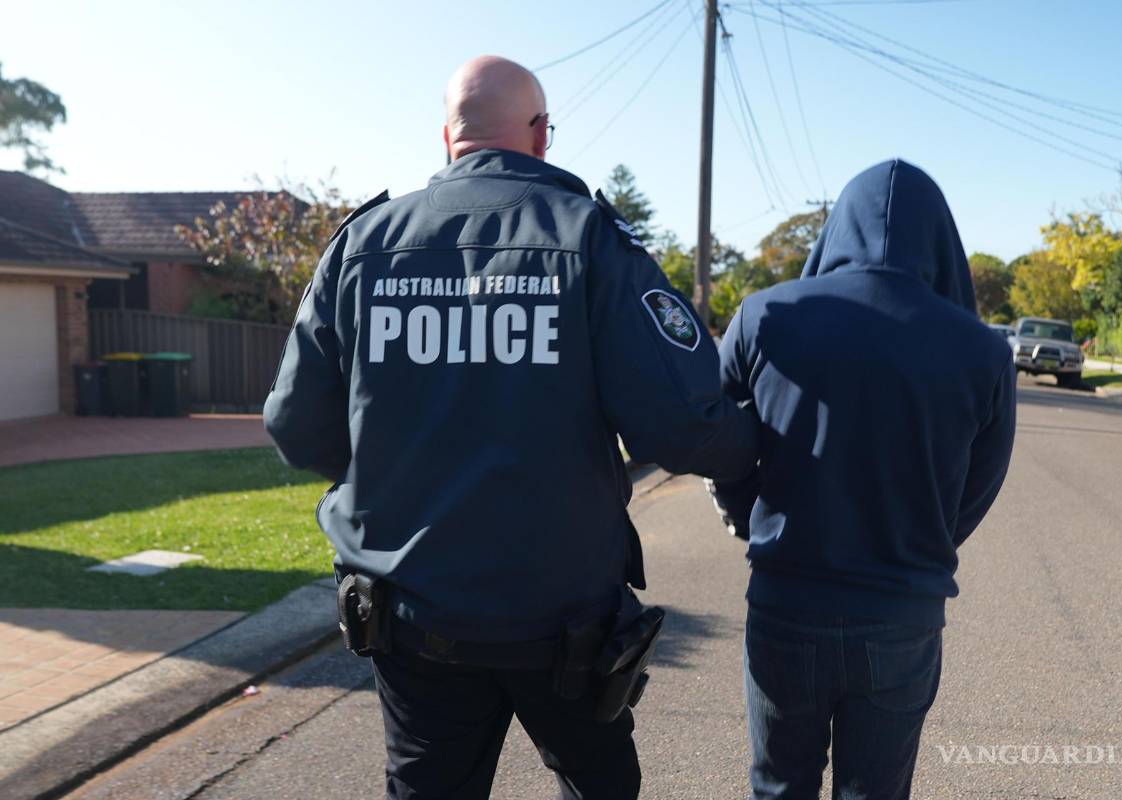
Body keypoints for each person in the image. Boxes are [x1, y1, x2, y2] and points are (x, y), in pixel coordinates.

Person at [263, 55, 758, 800]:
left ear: (447, 137)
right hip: (561, 618)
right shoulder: (590, 241)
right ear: (538, 133)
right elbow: (685, 425)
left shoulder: (361, 246)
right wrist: (772, 446)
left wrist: (390, 478)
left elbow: (297, 425)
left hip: (410, 609)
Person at [711, 159, 1017, 799]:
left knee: (777, 789)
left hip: (786, 599)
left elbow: (718, 440)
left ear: (835, 228)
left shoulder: (764, 316)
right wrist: (921, 536)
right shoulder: (984, 351)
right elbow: (980, 483)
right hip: (902, 613)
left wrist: (748, 516)